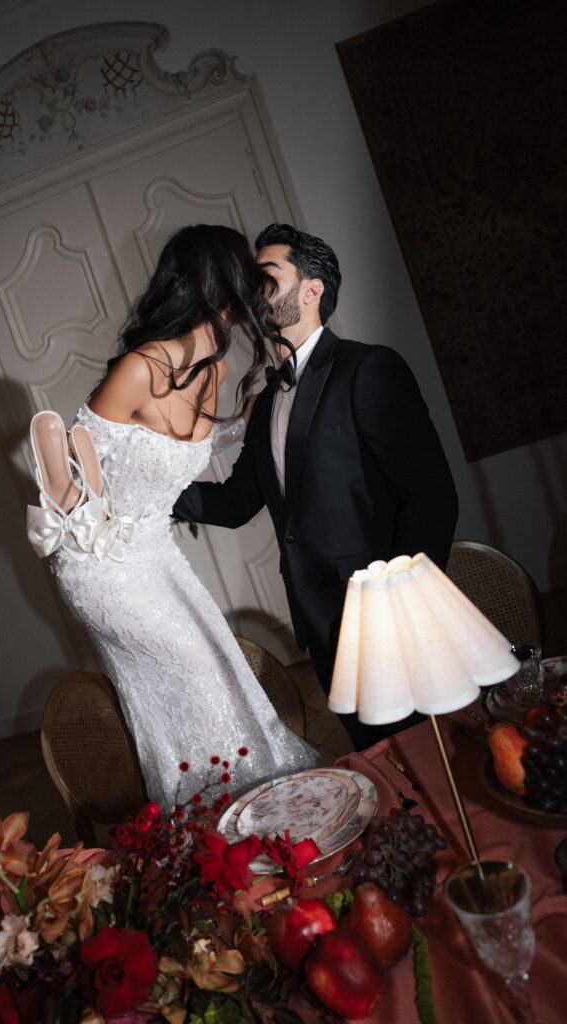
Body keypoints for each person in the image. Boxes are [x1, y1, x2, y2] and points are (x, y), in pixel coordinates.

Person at [27, 224, 321, 812]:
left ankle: (253, 812)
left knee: (224, 671)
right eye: (248, 277)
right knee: (200, 672)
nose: (258, 291)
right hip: (102, 566)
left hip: (158, 555)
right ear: (220, 286)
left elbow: (189, 447)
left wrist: (248, 419)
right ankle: (221, 813)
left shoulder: (213, 367)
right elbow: (83, 471)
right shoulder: (137, 370)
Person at [173, 223, 459, 750]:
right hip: (320, 628)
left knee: (426, 760)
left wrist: (401, 607)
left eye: (267, 275)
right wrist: (147, 491)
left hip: (386, 621)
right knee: (377, 763)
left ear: (312, 290)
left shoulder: (368, 368)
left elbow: (430, 496)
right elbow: (236, 503)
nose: (252, 289)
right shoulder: (265, 403)